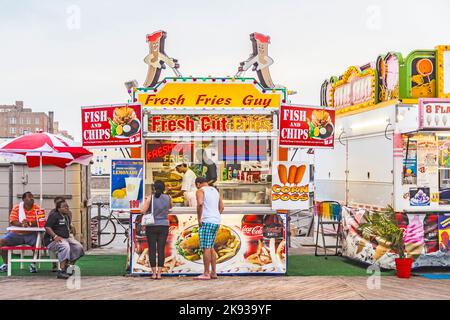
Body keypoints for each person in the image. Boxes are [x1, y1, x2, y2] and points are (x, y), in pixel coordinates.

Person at [0, 192, 42, 273]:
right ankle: (6, 264)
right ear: (23, 199)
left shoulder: (37, 208)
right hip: (16, 234)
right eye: (30, 197)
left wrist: (29, 223)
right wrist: (22, 224)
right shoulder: (17, 207)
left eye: (32, 196)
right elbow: (12, 221)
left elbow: (41, 221)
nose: (32, 198)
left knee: (37, 245)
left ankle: (33, 265)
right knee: (1, 242)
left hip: (31, 234)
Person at [44, 200, 85, 279]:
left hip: (65, 238)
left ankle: (69, 267)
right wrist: (55, 236)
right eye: (64, 207)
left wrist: (71, 229)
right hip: (52, 240)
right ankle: (61, 271)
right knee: (65, 246)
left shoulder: (66, 216)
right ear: (59, 208)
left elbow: (67, 228)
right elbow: (47, 227)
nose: (67, 208)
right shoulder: (54, 215)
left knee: (78, 247)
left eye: (67, 206)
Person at [194, 177, 224, 280]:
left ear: (198, 184)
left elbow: (200, 204)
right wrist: (215, 215)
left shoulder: (200, 191)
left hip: (206, 221)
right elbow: (222, 207)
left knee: (206, 248)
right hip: (216, 221)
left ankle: (206, 273)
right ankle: (214, 272)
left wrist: (199, 219)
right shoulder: (215, 190)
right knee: (211, 247)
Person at [141, 180, 172, 279]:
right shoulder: (168, 198)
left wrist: (146, 202)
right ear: (164, 188)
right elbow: (170, 207)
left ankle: (153, 273)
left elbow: (142, 210)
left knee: (152, 249)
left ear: (154, 188)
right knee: (161, 249)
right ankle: (159, 273)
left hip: (152, 226)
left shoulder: (150, 198)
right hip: (164, 226)